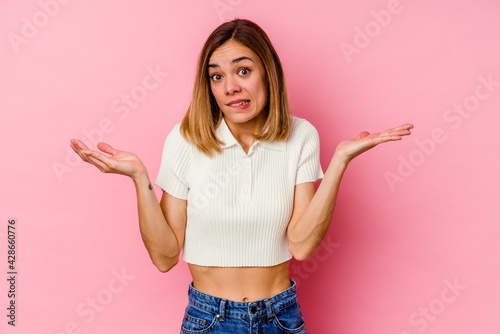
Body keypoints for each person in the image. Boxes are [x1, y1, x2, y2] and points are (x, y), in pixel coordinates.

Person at [70, 18, 413, 334]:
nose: (230, 87)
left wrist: (339, 162)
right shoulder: (186, 139)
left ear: (268, 73)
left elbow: (303, 245)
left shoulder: (301, 136)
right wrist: (139, 178)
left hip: (281, 317)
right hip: (209, 319)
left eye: (243, 71)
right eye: (217, 76)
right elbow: (164, 256)